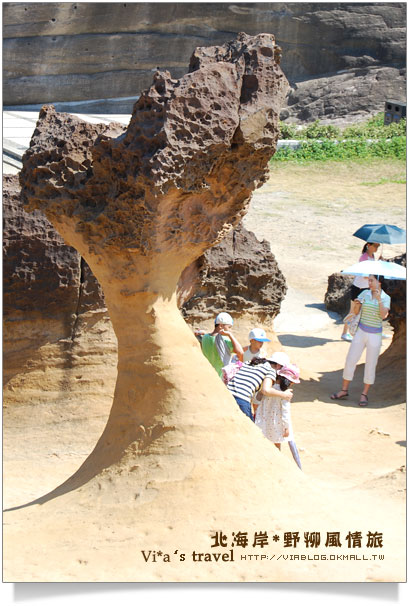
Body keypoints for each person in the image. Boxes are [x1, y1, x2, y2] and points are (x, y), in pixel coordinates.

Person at [331, 274, 390, 406]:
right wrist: (357, 305)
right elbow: (356, 312)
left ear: (379, 282)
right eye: (368, 280)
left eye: (371, 280)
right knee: (351, 359)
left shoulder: (386, 297)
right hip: (361, 332)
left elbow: (383, 315)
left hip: (375, 335)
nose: (369, 283)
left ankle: (364, 394)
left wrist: (379, 299)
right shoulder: (364, 293)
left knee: (371, 363)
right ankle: (344, 390)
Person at [255, 364, 302, 468]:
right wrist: (286, 427)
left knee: (264, 442)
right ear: (291, 382)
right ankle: (276, 465)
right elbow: (285, 411)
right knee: (277, 444)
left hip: (263, 419)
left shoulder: (269, 387)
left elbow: (258, 399)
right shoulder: (286, 393)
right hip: (276, 423)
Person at [227, 352, 291, 421]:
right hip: (241, 398)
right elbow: (266, 390)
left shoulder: (250, 362)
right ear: (278, 366)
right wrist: (284, 394)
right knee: (250, 428)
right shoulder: (270, 370)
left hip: (226, 394)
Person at [341, 242, 380, 341]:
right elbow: (364, 275)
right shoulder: (364, 257)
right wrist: (374, 276)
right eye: (375, 246)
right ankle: (345, 333)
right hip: (358, 288)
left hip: (366, 288)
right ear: (369, 246)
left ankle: (358, 334)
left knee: (363, 312)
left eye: (378, 246)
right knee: (353, 311)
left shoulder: (372, 257)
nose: (377, 248)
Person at [199, 312, 244, 378]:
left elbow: (210, 337)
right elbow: (241, 352)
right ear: (221, 326)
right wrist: (230, 335)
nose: (230, 330)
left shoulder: (205, 337)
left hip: (206, 375)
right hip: (221, 378)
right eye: (229, 327)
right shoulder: (224, 340)